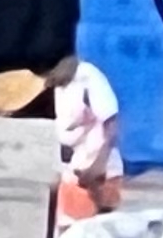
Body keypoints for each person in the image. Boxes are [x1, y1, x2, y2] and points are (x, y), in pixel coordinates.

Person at [49, 51, 123, 220]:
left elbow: (112, 124)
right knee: (68, 231)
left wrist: (98, 166)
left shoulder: (90, 79)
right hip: (73, 172)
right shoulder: (61, 84)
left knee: (97, 233)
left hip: (98, 173)